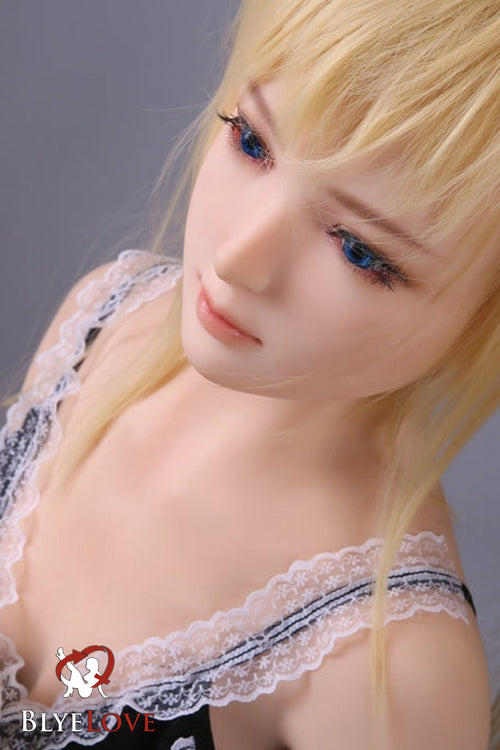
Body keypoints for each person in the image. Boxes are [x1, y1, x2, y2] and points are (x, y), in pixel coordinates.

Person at [0, 0, 498, 748]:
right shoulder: (104, 322)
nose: (238, 258)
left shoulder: (387, 676)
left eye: (359, 251)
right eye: (252, 141)